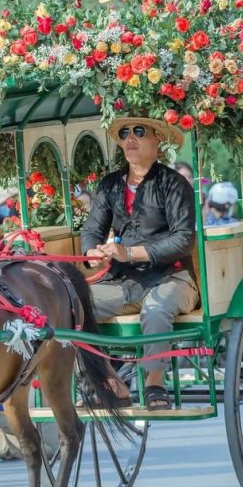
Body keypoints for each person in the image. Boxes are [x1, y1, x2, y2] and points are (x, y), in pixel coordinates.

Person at [81, 118, 198, 410]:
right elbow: (92, 229)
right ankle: (109, 379)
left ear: (158, 139)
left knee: (156, 310)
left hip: (172, 279)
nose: (130, 138)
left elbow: (183, 240)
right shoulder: (109, 186)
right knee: (74, 304)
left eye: (139, 131)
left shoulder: (174, 184)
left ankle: (154, 384)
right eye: (124, 133)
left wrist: (130, 253)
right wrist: (91, 251)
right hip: (124, 283)